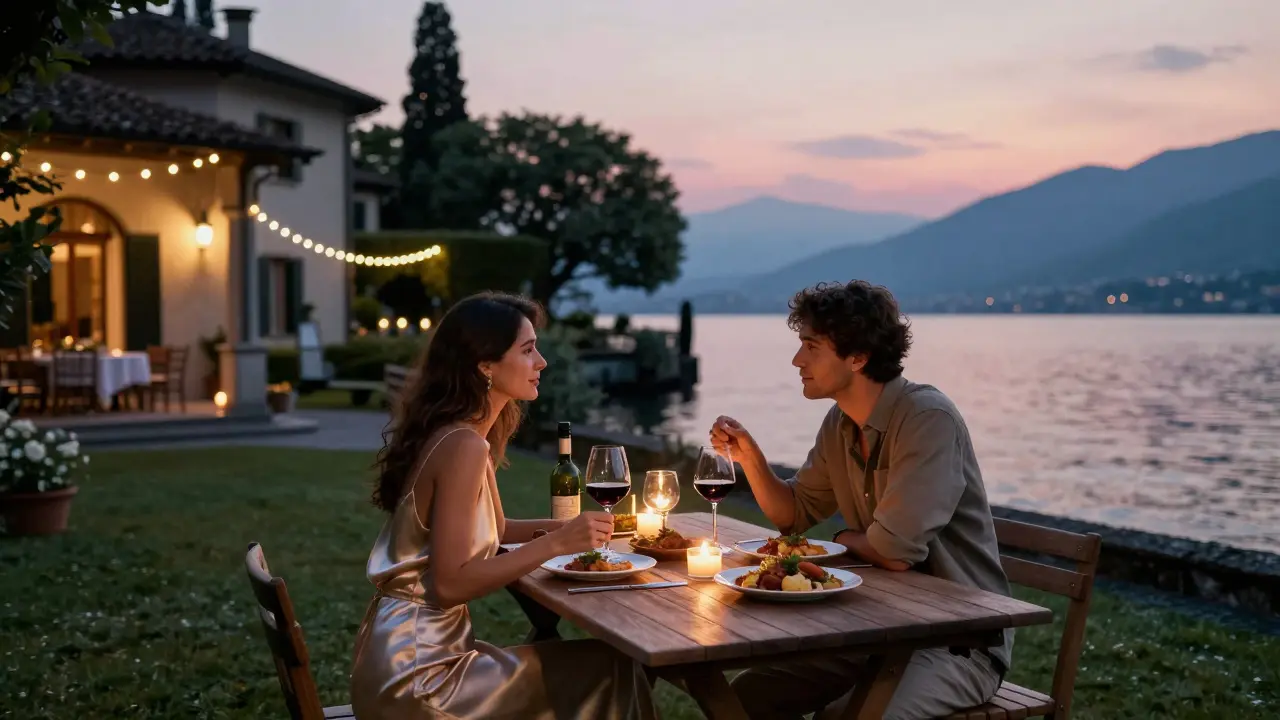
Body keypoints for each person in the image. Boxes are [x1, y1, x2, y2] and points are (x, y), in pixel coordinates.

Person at [710, 280, 1012, 720]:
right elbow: (791, 516)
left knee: (844, 717)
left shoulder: (927, 419)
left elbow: (893, 552)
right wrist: (749, 457)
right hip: (875, 631)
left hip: (958, 644)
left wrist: (843, 536)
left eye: (811, 347)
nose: (797, 360)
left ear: (858, 356)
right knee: (746, 698)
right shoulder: (840, 423)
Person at [350, 291, 657, 720]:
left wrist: (584, 529)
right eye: (528, 350)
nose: (542, 362)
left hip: (405, 651)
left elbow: (498, 529)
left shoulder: (465, 435)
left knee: (608, 662)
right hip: (420, 678)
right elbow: (450, 585)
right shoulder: (462, 446)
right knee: (614, 666)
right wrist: (557, 543)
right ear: (485, 366)